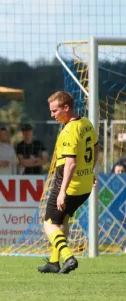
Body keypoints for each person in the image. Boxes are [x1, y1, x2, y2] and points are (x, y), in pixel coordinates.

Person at [38, 91, 99, 274]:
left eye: (55, 111)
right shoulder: (86, 124)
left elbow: (70, 163)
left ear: (66, 108)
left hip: (69, 184)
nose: (52, 115)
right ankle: (54, 262)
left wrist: (62, 191)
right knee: (63, 219)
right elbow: (96, 148)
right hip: (85, 185)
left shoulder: (69, 130)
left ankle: (68, 257)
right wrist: (91, 170)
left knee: (49, 223)